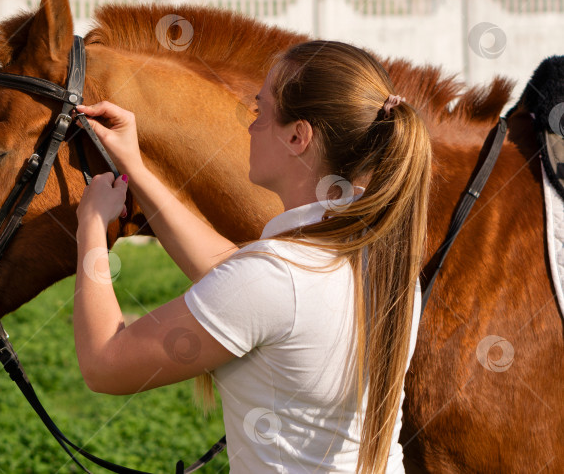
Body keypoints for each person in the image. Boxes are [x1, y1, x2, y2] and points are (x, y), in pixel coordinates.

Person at [71, 40, 430, 473]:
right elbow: (235, 275)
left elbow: (104, 365)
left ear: (298, 136)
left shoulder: (274, 278)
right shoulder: (376, 253)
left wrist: (91, 224)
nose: (250, 126)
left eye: (260, 111)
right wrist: (137, 167)